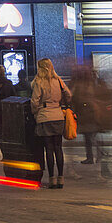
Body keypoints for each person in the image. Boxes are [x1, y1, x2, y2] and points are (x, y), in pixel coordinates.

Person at [31, 58, 71, 188]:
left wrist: (35, 113)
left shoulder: (39, 82)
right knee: (58, 148)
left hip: (45, 116)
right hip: (58, 116)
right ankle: (61, 178)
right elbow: (69, 95)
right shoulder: (58, 80)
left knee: (48, 149)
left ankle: (52, 179)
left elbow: (34, 101)